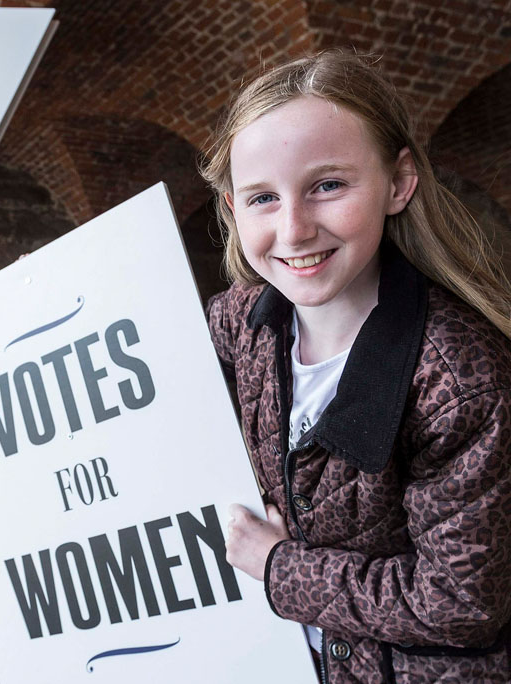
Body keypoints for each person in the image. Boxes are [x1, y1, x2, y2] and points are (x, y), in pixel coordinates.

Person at [202, 52, 511, 683]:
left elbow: (461, 601)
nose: (293, 230)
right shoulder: (238, 322)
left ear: (398, 183)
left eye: (328, 186)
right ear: (234, 210)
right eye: (263, 197)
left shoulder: (457, 377)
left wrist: (280, 566)